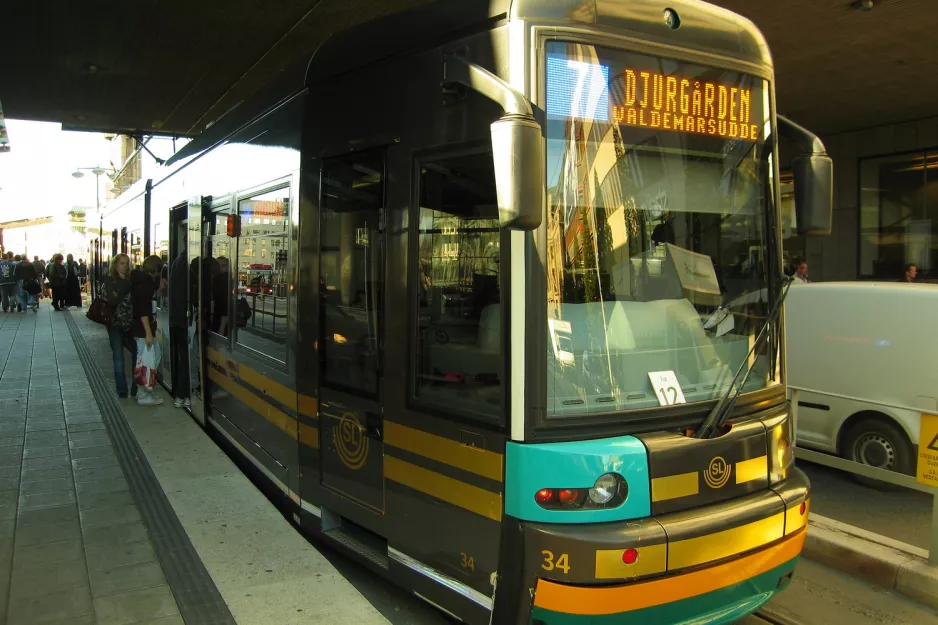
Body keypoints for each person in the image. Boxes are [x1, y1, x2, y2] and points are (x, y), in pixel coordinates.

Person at [131, 255, 164, 406]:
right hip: (143, 330)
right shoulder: (145, 285)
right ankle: (143, 394)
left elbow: (148, 303)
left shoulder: (143, 282)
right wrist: (148, 333)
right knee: (146, 362)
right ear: (156, 269)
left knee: (150, 359)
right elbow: (143, 311)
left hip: (142, 330)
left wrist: (159, 290)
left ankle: (144, 391)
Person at [105, 254, 137, 398]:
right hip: (115, 324)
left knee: (137, 353)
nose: (125, 266)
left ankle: (136, 387)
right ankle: (122, 389)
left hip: (131, 323)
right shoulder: (110, 280)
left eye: (127, 263)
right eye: (122, 263)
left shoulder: (131, 279)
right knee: (118, 357)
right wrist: (125, 287)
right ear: (115, 264)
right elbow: (113, 300)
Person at [169, 251, 190, 408]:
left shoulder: (177, 262)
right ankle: (182, 394)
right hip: (183, 321)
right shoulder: (186, 264)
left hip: (177, 320)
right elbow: (184, 297)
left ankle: (181, 394)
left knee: (184, 358)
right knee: (186, 359)